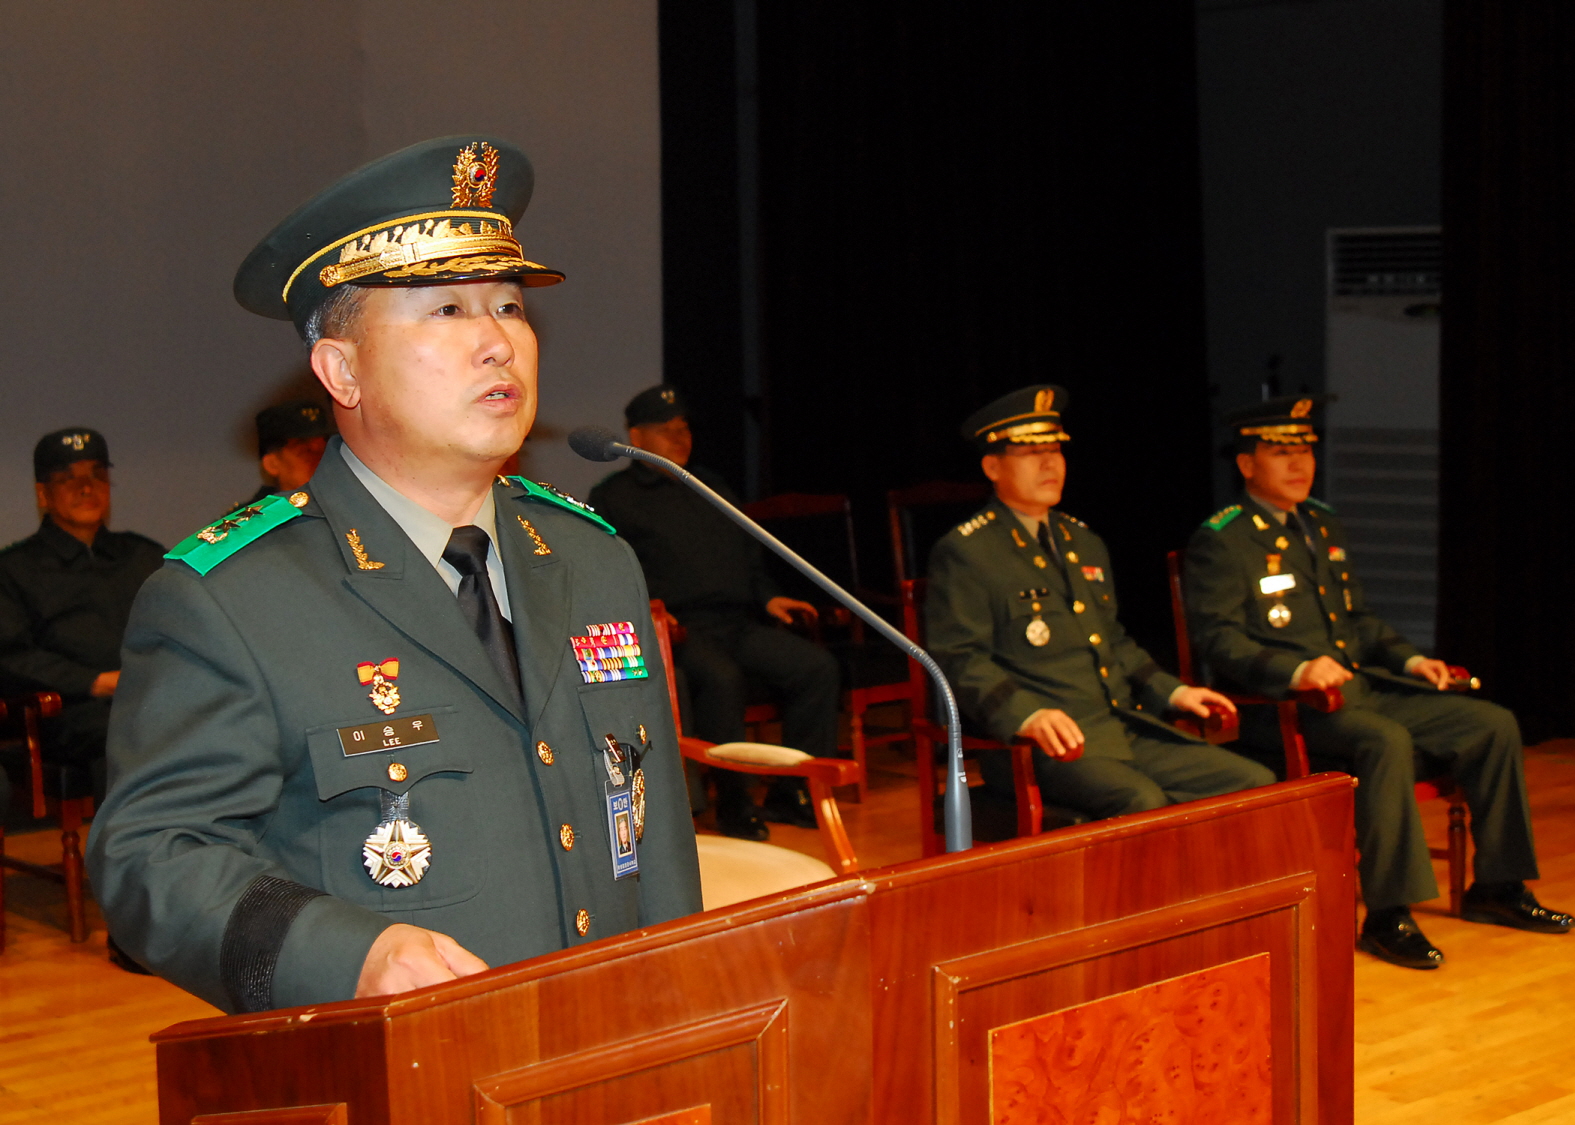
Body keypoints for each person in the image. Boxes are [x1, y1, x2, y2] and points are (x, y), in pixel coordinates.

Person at [86, 135, 701, 1014]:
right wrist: (346, 956)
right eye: (447, 310)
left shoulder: (593, 559)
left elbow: (655, 834)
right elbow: (150, 855)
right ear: (341, 370)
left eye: (510, 305)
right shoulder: (230, 599)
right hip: (398, 1058)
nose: (498, 342)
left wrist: (685, 1011)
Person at [1183, 395, 1570, 969]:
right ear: (1246, 464)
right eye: (1281, 452)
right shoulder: (1224, 538)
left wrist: (1412, 662)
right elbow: (1219, 641)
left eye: (1305, 449)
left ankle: (1498, 886)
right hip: (1285, 706)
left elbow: (1358, 621)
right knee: (1384, 740)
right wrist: (1297, 671)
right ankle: (1388, 916)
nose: (1299, 463)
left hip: (1358, 689)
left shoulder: (1320, 522)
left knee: (1491, 724)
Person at [926, 386, 1274, 822]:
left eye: (1055, 450)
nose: (1050, 464)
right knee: (1143, 802)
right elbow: (960, 658)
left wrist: (1174, 691)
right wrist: (1026, 715)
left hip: (1116, 727)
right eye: (1031, 453)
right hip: (1036, 744)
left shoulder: (1081, 541)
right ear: (992, 467)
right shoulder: (968, 551)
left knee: (1254, 782)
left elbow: (1112, 641)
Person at [589, 385, 838, 840]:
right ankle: (735, 803)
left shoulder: (709, 484)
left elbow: (747, 553)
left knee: (815, 668)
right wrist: (651, 615)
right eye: (666, 430)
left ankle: (792, 792)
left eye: (684, 428)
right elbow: (609, 573)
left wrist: (768, 597)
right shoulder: (614, 497)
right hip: (680, 631)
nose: (680, 438)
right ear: (636, 436)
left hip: (738, 622)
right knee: (722, 680)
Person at [0, 429, 164, 797]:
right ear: (42, 494)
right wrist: (95, 681)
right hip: (74, 710)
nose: (86, 488)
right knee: (130, 729)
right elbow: (10, 659)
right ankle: (135, 835)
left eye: (97, 475)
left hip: (157, 694)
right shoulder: (14, 569)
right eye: (67, 479)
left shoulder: (144, 556)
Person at [235, 400, 335, 508]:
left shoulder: (345, 505)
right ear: (272, 464)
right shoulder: (257, 517)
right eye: (306, 452)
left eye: (325, 450)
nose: (320, 459)